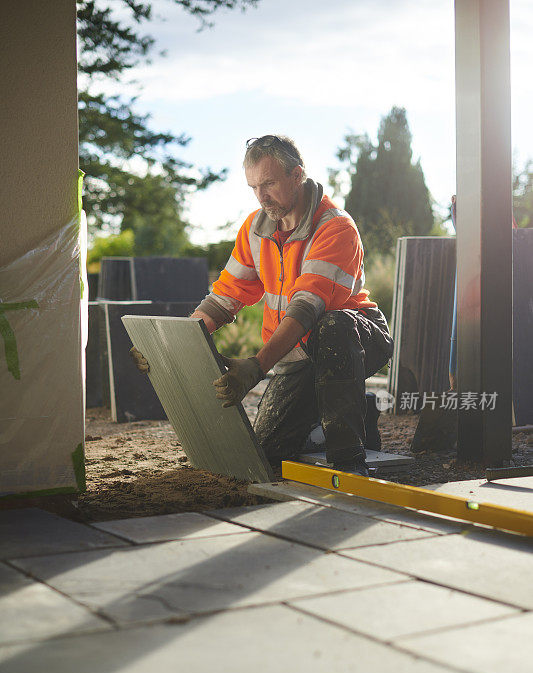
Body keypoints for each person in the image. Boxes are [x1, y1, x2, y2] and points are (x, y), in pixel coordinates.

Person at [132, 135, 393, 476]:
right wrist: (170, 345)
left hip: (355, 338)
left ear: (296, 175)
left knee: (333, 326)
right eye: (254, 186)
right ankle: (347, 414)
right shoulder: (255, 230)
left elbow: (306, 308)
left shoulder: (335, 228)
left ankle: (349, 459)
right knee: (267, 451)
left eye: (269, 183)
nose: (261, 196)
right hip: (297, 353)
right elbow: (226, 295)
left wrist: (256, 366)